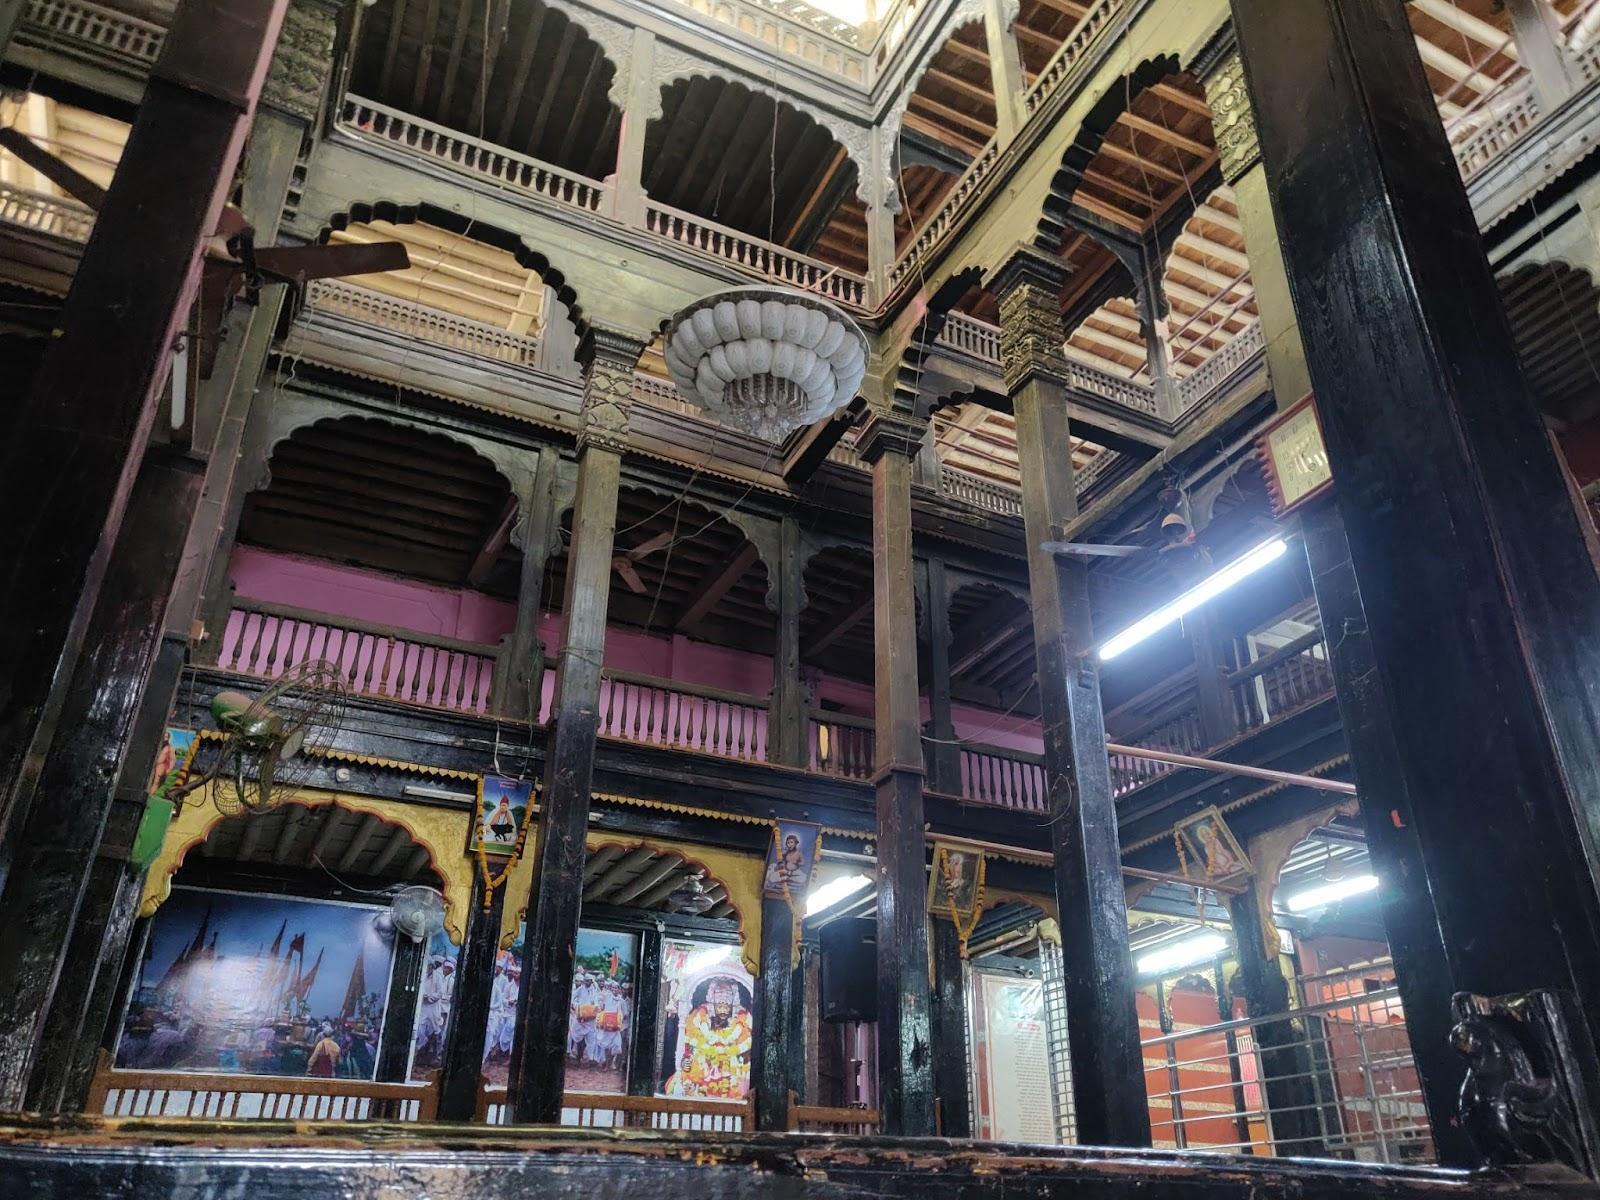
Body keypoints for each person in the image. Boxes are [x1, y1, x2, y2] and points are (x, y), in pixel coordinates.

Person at [664, 978, 752, 1099]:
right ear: (712, 1005)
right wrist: (686, 1059)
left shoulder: (742, 1020)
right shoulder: (699, 1018)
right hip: (702, 1070)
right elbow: (689, 1046)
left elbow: (746, 1048)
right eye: (720, 1006)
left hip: (731, 1071)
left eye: (727, 1007)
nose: (723, 1011)